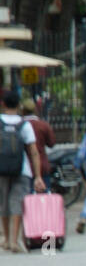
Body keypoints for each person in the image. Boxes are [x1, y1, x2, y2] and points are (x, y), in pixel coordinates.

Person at [0, 91, 48, 252]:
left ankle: (6, 239)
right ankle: (15, 240)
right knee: (17, 203)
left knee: (3, 203)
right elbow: (33, 151)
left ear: (3, 104)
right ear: (18, 105)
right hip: (22, 170)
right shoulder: (24, 125)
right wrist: (38, 176)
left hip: (1, 170)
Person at [20, 99, 54, 191]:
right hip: (42, 166)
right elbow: (51, 143)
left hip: (24, 168)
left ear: (22, 111)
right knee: (44, 198)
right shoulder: (43, 125)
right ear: (35, 110)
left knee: (26, 200)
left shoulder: (19, 126)